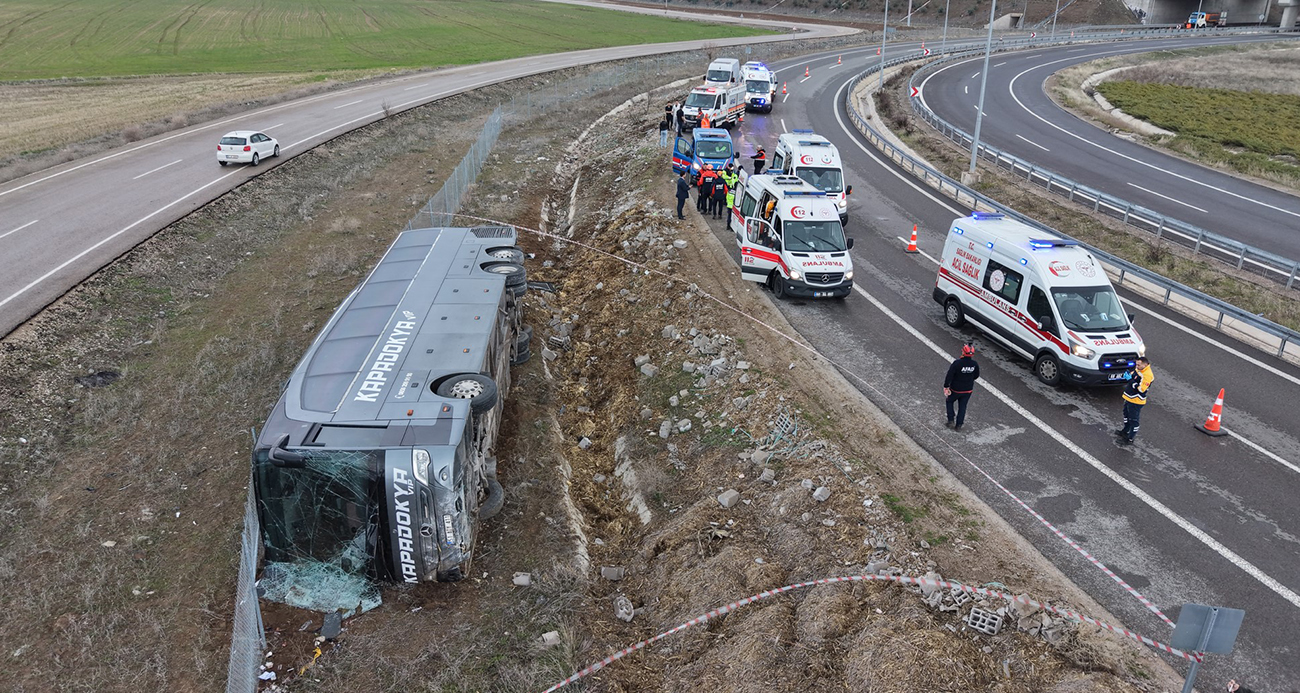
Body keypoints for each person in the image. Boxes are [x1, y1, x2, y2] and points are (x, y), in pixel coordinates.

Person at [1116, 356, 1154, 445]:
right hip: (1129, 397)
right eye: (1136, 364)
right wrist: (1130, 374)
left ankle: (1130, 439)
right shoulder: (1140, 369)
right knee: (1126, 415)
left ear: (1145, 364)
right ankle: (1125, 431)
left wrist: (1130, 380)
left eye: (1139, 365)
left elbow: (1141, 389)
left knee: (1133, 420)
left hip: (1136, 401)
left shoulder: (1147, 375)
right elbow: (1134, 374)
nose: (1137, 366)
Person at [943, 344, 980, 431]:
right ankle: (959, 425)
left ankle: (951, 420)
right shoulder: (974, 364)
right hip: (968, 389)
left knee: (949, 401)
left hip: (956, 389)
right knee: (962, 406)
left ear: (963, 352)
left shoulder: (957, 363)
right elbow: (976, 375)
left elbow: (949, 375)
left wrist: (946, 386)